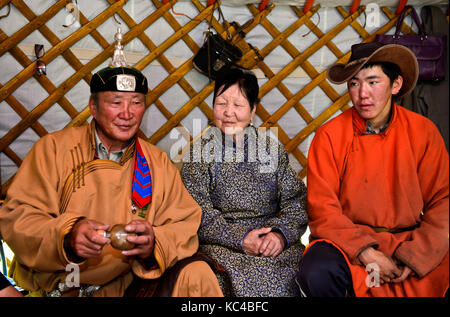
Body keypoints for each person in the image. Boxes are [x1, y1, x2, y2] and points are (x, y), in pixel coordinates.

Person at [0, 28, 223, 297]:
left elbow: (184, 223)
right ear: (93, 107)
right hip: (66, 286)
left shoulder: (156, 162)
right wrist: (68, 237)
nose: (127, 114)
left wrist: (154, 243)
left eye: (136, 103)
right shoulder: (53, 149)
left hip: (129, 284)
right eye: (116, 102)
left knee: (196, 274)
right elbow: (18, 219)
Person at [297, 42, 449, 297]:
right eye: (354, 83)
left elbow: (443, 200)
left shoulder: (423, 132)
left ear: (396, 85)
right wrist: (365, 252)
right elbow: (322, 208)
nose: (362, 94)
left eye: (373, 82)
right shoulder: (330, 135)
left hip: (410, 242)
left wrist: (416, 256)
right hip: (348, 243)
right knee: (317, 270)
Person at [181, 68, 308, 296]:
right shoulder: (198, 154)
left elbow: (296, 202)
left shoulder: (271, 149)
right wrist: (241, 239)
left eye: (238, 105)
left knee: (305, 270)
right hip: (222, 246)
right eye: (221, 103)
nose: (229, 112)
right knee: (215, 277)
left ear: (252, 111)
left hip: (271, 245)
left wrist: (279, 235)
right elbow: (195, 213)